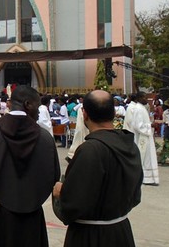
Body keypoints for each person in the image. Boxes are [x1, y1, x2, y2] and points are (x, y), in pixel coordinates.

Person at [0, 86, 60, 247]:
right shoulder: (45, 137)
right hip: (32, 213)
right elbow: (53, 174)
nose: (39, 112)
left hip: (0, 211)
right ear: (27, 104)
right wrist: (32, 192)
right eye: (37, 107)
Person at [52, 90, 142, 247]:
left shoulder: (90, 150)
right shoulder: (130, 145)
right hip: (120, 231)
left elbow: (73, 206)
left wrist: (61, 192)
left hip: (90, 237)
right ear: (114, 113)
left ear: (84, 114)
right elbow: (135, 195)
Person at [123, 92, 159, 185]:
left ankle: (148, 178)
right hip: (142, 137)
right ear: (138, 98)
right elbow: (137, 125)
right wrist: (150, 125)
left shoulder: (141, 108)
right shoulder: (138, 109)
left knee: (147, 157)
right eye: (144, 98)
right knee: (146, 157)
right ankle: (147, 179)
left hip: (145, 135)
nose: (146, 100)